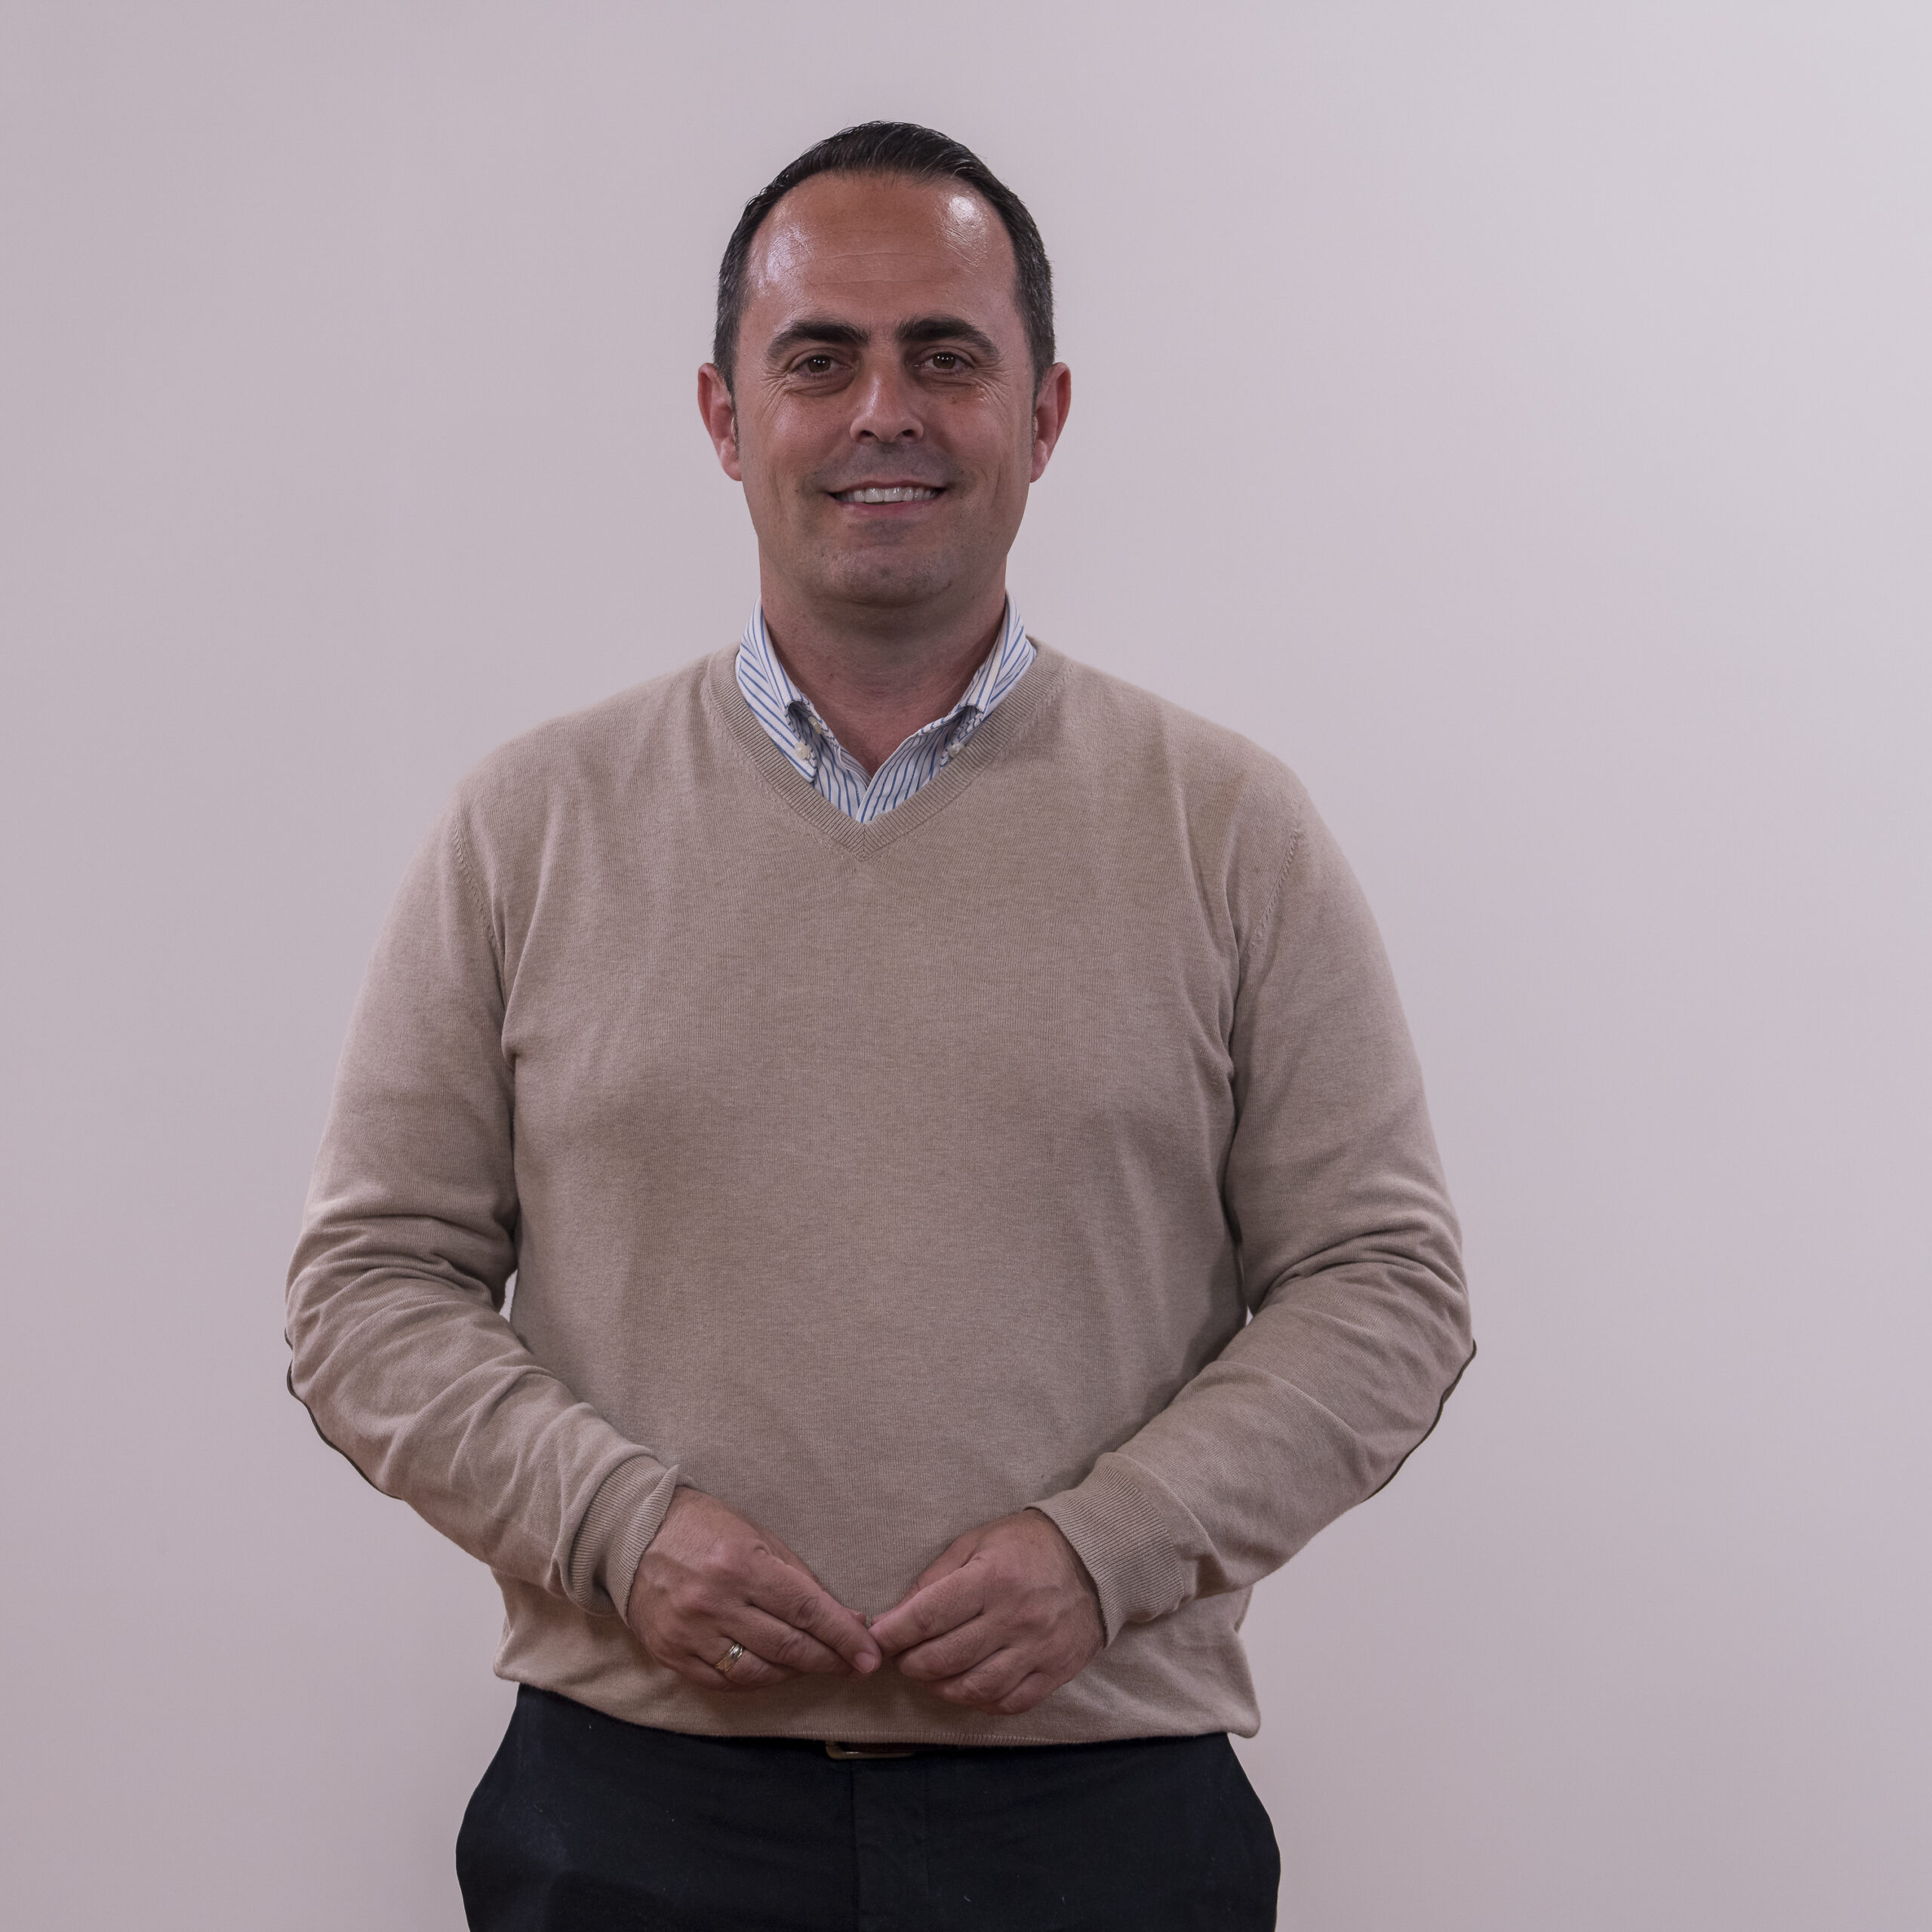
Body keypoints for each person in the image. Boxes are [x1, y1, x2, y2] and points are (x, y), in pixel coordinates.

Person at [286, 121, 1473, 1931]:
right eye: (818, 359)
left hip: (1096, 1814)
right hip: (633, 1809)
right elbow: (365, 1287)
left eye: (944, 356)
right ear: (723, 415)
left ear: (1043, 413)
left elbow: (1383, 1286)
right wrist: (617, 1528)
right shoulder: (530, 826)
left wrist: (1102, 1550)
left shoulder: (1225, 828)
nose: (881, 413)